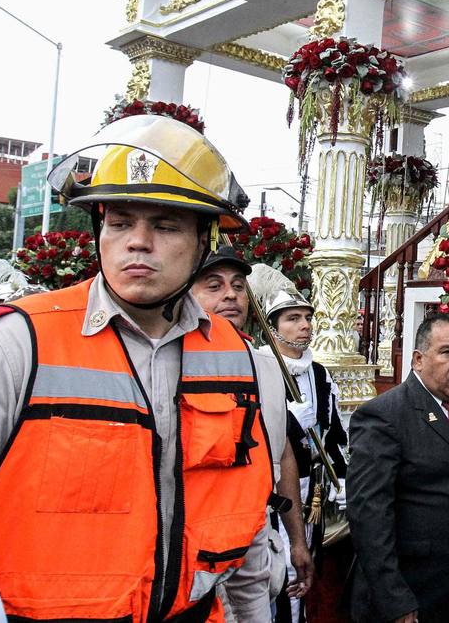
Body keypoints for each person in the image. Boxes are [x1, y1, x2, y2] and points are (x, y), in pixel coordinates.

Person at [0, 115, 273, 622]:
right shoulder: (16, 344)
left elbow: (243, 521)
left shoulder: (234, 353)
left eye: (164, 225)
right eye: (119, 223)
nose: (138, 242)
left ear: (204, 242)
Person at [346, 309, 449, 623]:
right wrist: (394, 599)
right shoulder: (385, 415)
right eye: (447, 352)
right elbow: (369, 514)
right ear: (418, 360)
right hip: (416, 590)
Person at [190, 247, 313, 622]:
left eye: (239, 286)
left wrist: (296, 540)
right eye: (214, 285)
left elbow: (283, 455)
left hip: (254, 545)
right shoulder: (171, 362)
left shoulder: (267, 366)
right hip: (193, 555)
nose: (230, 295)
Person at [256, 289, 349, 623]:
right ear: (274, 326)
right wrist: (290, 421)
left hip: (312, 489)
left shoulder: (319, 373)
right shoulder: (258, 368)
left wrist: (340, 477)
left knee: (302, 565)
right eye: (293, 318)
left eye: (307, 318)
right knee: (272, 570)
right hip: (271, 489)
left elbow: (334, 432)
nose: (304, 326)